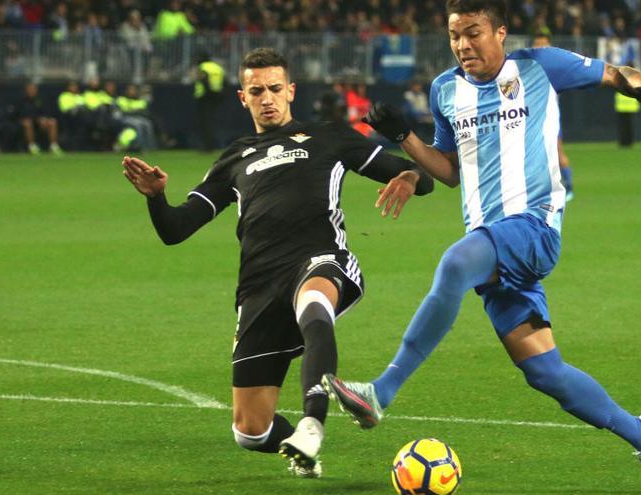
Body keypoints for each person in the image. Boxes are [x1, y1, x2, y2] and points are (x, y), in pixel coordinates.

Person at [321, 1, 641, 494]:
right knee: (545, 372)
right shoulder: (445, 90)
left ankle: (380, 392)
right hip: (494, 244)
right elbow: (448, 170)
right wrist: (405, 138)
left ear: (500, 32)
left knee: (455, 262)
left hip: (533, 229)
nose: (463, 45)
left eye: (473, 33)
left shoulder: (538, 65)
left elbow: (618, 72)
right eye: (454, 36)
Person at [122, 47, 433, 479]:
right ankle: (300, 450)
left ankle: (311, 424)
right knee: (250, 430)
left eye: (273, 88)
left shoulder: (330, 137)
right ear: (242, 98)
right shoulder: (234, 158)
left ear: (290, 90)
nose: (266, 98)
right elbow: (176, 230)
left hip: (321, 260)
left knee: (314, 307)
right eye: (256, 91)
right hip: (259, 286)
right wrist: (156, 198)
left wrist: (412, 175)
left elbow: (425, 179)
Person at [532, 29, 574, 200]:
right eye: (538, 44)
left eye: (544, 45)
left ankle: (569, 186)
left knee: (556, 149)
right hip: (531, 117)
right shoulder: (528, 65)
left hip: (549, 116)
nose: (541, 47)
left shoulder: (553, 66)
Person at [16, 82, 63, 155]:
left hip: (40, 122)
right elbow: (18, 114)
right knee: (27, 123)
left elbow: (46, 113)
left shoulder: (41, 100)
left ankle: (53, 146)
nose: (31, 91)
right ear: (26, 90)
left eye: (33, 89)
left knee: (52, 122)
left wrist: (44, 119)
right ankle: (32, 147)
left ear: (36, 90)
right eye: (29, 89)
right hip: (26, 122)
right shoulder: (21, 101)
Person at [193, 51, 225, 151]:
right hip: (216, 97)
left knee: (205, 122)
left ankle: (206, 146)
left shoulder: (202, 67)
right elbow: (225, 82)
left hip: (205, 97)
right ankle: (213, 145)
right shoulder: (217, 68)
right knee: (212, 122)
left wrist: (208, 92)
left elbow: (204, 80)